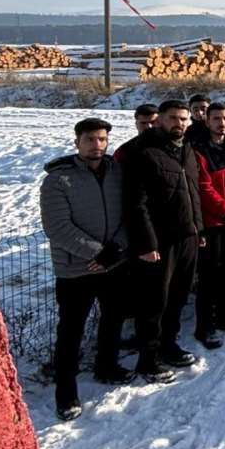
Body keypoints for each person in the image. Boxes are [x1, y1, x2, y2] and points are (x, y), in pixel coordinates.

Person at [40, 117, 131, 419]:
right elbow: (57, 227)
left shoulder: (117, 172)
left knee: (113, 319)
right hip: (76, 269)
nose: (97, 145)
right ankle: (66, 393)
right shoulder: (58, 179)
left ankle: (107, 366)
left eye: (102, 139)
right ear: (77, 142)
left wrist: (116, 249)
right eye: (90, 139)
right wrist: (97, 253)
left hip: (113, 264)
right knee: (71, 331)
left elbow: (128, 214)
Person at [124, 99, 203, 377]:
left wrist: (198, 229)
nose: (178, 123)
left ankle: (169, 344)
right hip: (160, 242)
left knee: (178, 296)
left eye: (183, 119)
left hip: (187, 236)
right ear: (160, 120)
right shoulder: (144, 152)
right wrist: (146, 243)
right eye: (173, 118)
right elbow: (136, 203)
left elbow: (194, 193)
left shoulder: (187, 149)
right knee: (154, 302)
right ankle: (148, 359)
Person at [193, 102, 225, 349]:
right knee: (208, 275)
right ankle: (204, 325)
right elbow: (203, 187)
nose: (222, 123)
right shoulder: (199, 149)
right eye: (216, 118)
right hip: (212, 221)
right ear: (207, 121)